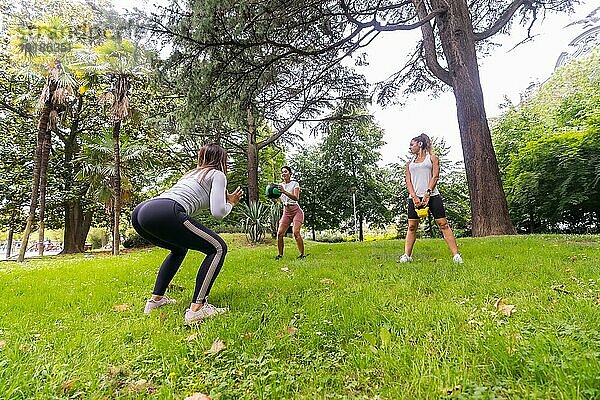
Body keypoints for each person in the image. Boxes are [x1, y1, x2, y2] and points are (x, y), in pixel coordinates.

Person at [131, 143, 244, 325]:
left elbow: (201, 200)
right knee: (218, 248)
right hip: (166, 209)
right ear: (222, 160)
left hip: (141, 212)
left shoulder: (192, 174)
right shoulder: (218, 175)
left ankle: (156, 300)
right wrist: (231, 203)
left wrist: (225, 199)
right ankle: (197, 309)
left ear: (202, 158)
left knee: (178, 248)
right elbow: (218, 213)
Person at [399, 134, 463, 264]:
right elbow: (408, 181)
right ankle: (407, 255)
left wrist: (427, 193)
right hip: (415, 198)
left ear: (420, 144)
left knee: (443, 224)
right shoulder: (409, 164)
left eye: (412, 144)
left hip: (432, 196)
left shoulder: (432, 159)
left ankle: (456, 256)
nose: (410, 147)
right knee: (412, 227)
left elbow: (435, 176)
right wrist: (414, 197)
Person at [274, 166, 306, 259]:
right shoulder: (280, 186)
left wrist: (284, 191)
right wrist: (274, 198)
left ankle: (301, 254)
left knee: (296, 232)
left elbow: (296, 198)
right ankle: (280, 255)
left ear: (290, 174)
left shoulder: (295, 184)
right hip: (286, 212)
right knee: (280, 233)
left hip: (296, 211)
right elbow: (281, 200)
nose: (283, 173)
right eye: (282, 172)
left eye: (285, 172)